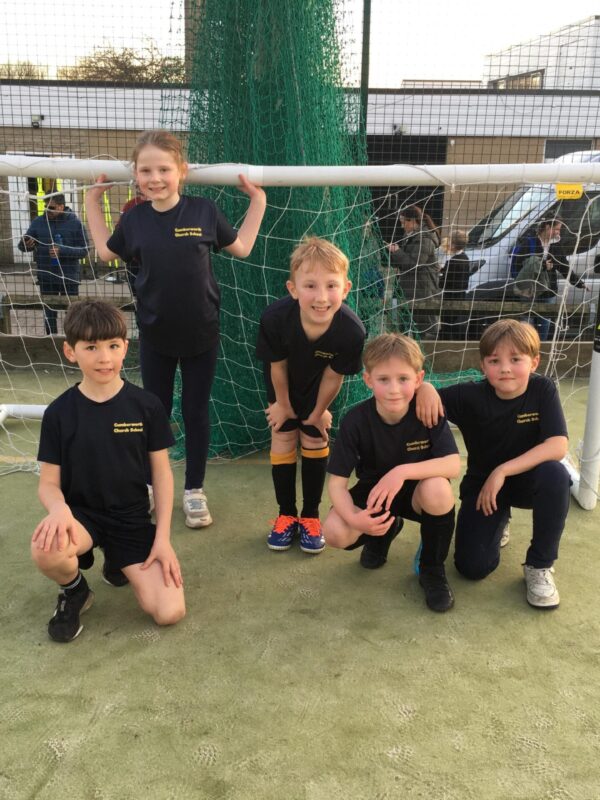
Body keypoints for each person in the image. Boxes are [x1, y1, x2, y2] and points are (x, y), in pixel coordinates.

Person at [85, 129, 266, 529]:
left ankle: (194, 489)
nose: (155, 178)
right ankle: (151, 485)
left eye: (164, 169)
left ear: (181, 171)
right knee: (156, 412)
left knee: (195, 411)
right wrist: (91, 202)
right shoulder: (135, 219)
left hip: (202, 335)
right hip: (156, 336)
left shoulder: (203, 211)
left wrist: (259, 201)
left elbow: (242, 248)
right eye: (146, 170)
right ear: (135, 174)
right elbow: (104, 252)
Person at [31, 300, 185, 643]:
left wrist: (163, 540)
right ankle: (75, 590)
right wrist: (58, 509)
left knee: (169, 611)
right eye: (91, 347)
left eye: (113, 346)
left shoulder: (146, 406)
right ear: (70, 352)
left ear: (125, 347)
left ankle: (117, 560)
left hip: (130, 518)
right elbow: (48, 483)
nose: (104, 358)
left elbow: (162, 475)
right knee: (45, 548)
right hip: (81, 517)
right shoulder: (58, 413)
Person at [416, 319, 570, 609]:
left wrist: (503, 470)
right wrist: (425, 388)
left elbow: (558, 445)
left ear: (534, 362)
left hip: (528, 481)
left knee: (556, 474)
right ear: (483, 365)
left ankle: (539, 565)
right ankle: (499, 520)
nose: (505, 368)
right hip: (484, 487)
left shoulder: (542, 389)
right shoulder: (470, 396)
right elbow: (421, 399)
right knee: (472, 568)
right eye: (495, 361)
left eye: (516, 359)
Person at [322, 333, 460, 612]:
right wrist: (355, 519)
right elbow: (336, 484)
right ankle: (384, 531)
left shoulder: (428, 410)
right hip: (376, 494)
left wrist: (401, 472)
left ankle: (432, 570)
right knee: (334, 531)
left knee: (438, 489)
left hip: (417, 494)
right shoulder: (355, 420)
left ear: (418, 380)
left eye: (403, 379)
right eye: (383, 379)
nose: (394, 389)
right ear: (368, 380)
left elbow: (452, 464)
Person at [256, 237, 366, 554]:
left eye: (331, 286)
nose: (321, 297)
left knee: (315, 439)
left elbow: (333, 375)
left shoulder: (351, 331)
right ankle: (286, 514)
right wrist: (282, 405)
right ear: (293, 289)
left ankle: (311, 516)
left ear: (345, 289)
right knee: (283, 437)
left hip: (320, 391)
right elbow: (277, 366)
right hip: (282, 387)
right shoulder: (275, 319)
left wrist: (318, 412)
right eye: (310, 286)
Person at [18, 194, 89, 334]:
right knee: (49, 313)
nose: (47, 210)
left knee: (72, 313)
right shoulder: (38, 222)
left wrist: (62, 251)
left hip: (68, 277)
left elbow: (84, 250)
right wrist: (25, 244)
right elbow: (22, 246)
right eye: (45, 207)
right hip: (46, 276)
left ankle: (72, 339)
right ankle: (51, 339)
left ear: (61, 207)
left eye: (51, 207)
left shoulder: (75, 223)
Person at [511, 218, 587, 340]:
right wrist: (542, 266)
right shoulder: (529, 243)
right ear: (547, 227)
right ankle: (527, 345)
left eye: (559, 230)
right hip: (529, 289)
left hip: (548, 289)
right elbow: (518, 265)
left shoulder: (556, 244)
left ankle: (543, 345)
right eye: (556, 229)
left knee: (545, 321)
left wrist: (578, 283)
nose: (558, 232)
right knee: (527, 319)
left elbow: (564, 266)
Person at [387, 205, 440, 338]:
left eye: (404, 222)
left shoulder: (425, 239)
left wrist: (397, 251)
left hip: (422, 290)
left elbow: (414, 264)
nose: (402, 226)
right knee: (406, 325)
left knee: (423, 328)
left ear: (413, 221)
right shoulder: (411, 236)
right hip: (410, 289)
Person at [438, 229, 470, 339]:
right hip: (461, 296)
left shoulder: (452, 261)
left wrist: (440, 275)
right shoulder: (465, 258)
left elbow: (443, 283)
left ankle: (445, 342)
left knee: (447, 323)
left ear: (453, 244)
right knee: (454, 322)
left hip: (450, 297)